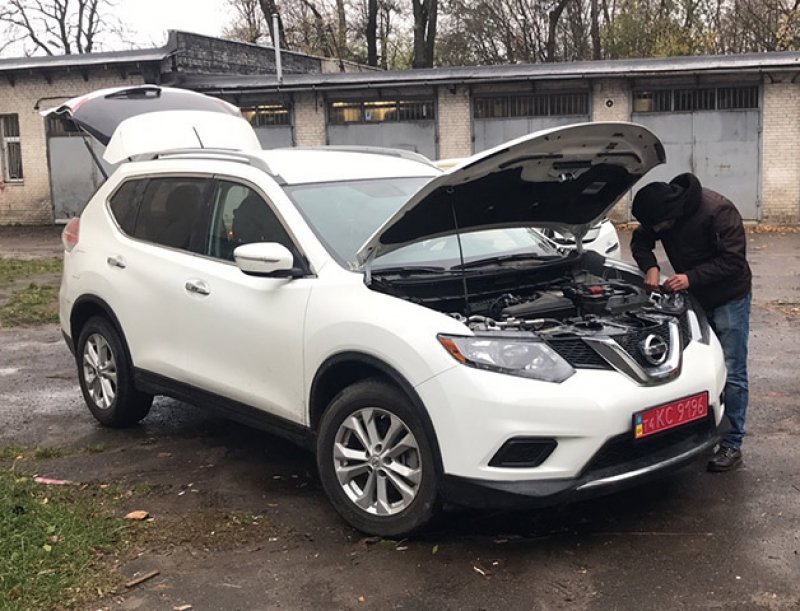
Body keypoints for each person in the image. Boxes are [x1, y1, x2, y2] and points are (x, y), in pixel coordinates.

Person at [630, 173, 752, 472]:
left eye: (658, 225)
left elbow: (733, 260)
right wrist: (650, 266)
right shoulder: (661, 213)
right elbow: (641, 239)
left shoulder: (718, 211)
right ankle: (698, 432)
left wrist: (690, 278)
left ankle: (732, 443)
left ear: (671, 213)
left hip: (729, 297)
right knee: (696, 368)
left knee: (733, 370)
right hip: (693, 300)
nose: (656, 230)